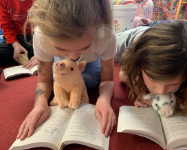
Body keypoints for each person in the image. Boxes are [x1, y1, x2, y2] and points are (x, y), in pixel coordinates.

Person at [16, 0, 116, 140]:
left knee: (92, 81)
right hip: (62, 61)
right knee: (57, 77)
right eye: (61, 48)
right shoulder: (41, 36)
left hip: (93, 57)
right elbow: (44, 81)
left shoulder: (106, 35)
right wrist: (40, 103)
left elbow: (107, 80)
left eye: (83, 47)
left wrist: (104, 99)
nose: (74, 57)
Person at [117, 20, 187, 115]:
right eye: (152, 78)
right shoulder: (137, 56)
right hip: (128, 37)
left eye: (173, 84)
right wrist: (139, 90)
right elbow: (124, 75)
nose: (161, 92)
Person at [0, 0, 37, 68]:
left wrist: (39, 55)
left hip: (36, 37)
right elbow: (6, 25)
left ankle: (32, 55)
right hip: (16, 38)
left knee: (51, 50)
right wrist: (15, 45)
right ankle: (27, 54)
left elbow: (47, 27)